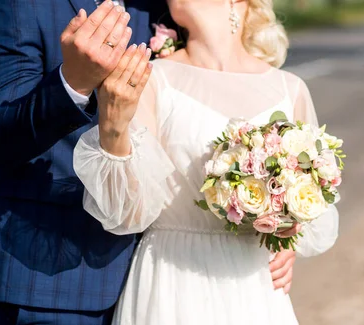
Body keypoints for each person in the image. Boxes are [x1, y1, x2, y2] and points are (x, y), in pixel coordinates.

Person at [0, 0, 297, 323]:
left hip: (161, 277)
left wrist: (275, 222)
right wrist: (72, 83)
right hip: (49, 278)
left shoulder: (158, 6)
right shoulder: (14, 4)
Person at [72, 0, 340, 323]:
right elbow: (128, 212)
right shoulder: (153, 79)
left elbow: (314, 205)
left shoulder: (290, 91)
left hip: (254, 293)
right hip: (171, 285)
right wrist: (113, 130)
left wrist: (287, 232)